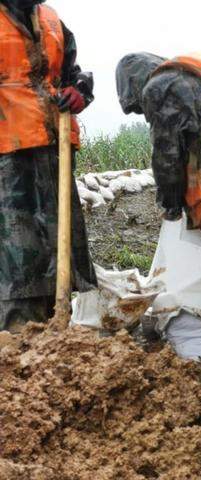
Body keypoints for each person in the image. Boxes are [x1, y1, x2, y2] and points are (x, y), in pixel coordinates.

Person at [116, 53, 201, 295]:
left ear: (134, 84)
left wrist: (170, 206)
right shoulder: (189, 77)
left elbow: (167, 157)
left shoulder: (158, 88)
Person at [0, 0, 96, 331]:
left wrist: (81, 87)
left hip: (53, 148)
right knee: (16, 256)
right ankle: (18, 338)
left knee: (60, 247)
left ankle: (60, 331)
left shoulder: (53, 21)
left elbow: (71, 72)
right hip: (7, 155)